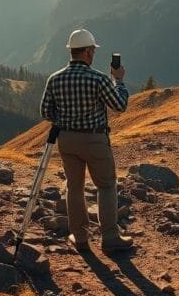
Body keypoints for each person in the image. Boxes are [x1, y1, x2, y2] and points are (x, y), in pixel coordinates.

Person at [39, 28, 134, 253]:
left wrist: (66, 120)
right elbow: (119, 105)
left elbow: (45, 111)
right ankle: (110, 238)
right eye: (93, 50)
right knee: (107, 186)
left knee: (74, 187)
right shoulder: (98, 79)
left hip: (67, 140)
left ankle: (80, 237)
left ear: (71, 51)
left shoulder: (55, 79)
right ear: (89, 52)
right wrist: (118, 81)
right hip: (94, 139)